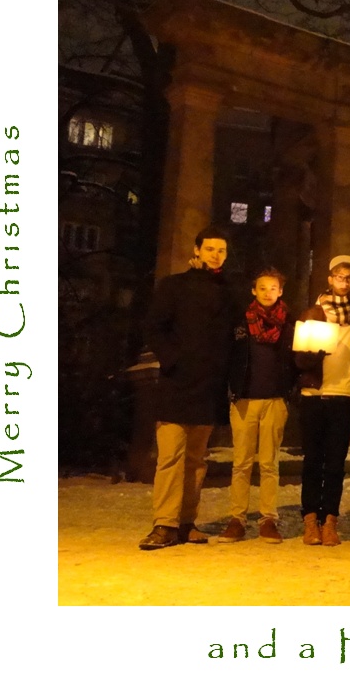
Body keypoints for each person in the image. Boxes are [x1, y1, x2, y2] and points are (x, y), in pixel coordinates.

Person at [139, 226, 236, 550]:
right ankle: (164, 524)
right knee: (170, 457)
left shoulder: (227, 291)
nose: (216, 255)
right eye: (210, 249)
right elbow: (154, 326)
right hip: (176, 384)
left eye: (221, 250)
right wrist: (172, 360)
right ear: (197, 251)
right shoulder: (174, 286)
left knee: (196, 460)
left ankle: (186, 522)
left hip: (208, 387)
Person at [219, 268, 295, 544]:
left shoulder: (289, 323)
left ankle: (268, 519)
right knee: (241, 462)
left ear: (280, 291)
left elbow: (297, 359)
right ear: (253, 291)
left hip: (275, 399)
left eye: (273, 288)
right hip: (245, 399)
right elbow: (227, 355)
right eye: (262, 288)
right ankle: (237, 519)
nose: (267, 293)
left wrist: (291, 390)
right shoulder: (240, 322)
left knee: (269, 463)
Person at [294, 255, 350, 546]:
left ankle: (330, 520)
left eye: (349, 278)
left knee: (335, 462)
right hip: (314, 394)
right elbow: (297, 358)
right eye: (339, 277)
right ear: (329, 279)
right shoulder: (314, 312)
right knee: (313, 460)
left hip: (344, 394)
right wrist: (313, 353)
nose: (344, 282)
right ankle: (310, 520)